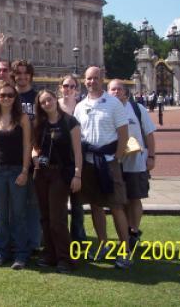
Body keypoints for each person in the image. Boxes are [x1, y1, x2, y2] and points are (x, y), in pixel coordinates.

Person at [74, 67, 131, 269]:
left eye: (96, 78)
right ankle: (103, 244)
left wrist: (116, 156)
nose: (92, 81)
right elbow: (78, 136)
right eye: (89, 78)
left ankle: (125, 250)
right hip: (89, 161)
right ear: (84, 81)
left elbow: (123, 134)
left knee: (116, 206)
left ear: (102, 79)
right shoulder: (80, 106)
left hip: (108, 161)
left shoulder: (114, 103)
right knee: (96, 205)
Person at [0, 81, 32, 269]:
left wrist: (25, 170)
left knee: (18, 214)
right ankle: (2, 252)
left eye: (10, 95)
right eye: (2, 95)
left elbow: (27, 145)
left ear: (15, 98)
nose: (6, 98)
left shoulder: (22, 118)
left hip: (17, 169)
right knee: (1, 215)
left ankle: (21, 254)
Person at [32, 89, 83, 273]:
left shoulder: (70, 122)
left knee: (57, 219)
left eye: (49, 100)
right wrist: (35, 156)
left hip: (61, 174)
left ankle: (65, 258)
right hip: (42, 173)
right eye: (43, 102)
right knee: (45, 217)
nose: (47, 104)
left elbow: (78, 151)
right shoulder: (40, 123)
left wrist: (77, 175)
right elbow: (34, 147)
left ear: (56, 99)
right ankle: (50, 254)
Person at [107, 79, 156, 249]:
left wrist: (151, 156)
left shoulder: (137, 108)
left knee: (135, 197)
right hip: (114, 161)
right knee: (120, 200)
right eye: (112, 89)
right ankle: (125, 231)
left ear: (125, 92)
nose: (116, 92)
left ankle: (133, 230)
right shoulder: (107, 109)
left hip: (135, 161)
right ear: (108, 92)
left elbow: (149, 134)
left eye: (119, 89)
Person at [10, 59, 41, 254]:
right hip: (12, 155)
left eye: (25, 73)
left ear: (30, 75)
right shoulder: (8, 96)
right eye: (18, 73)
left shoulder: (37, 97)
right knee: (15, 204)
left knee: (34, 202)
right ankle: (17, 242)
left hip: (34, 155)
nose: (22, 77)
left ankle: (34, 242)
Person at [58, 74, 87, 242]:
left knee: (77, 202)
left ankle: (78, 236)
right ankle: (61, 236)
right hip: (60, 158)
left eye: (72, 86)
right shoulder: (55, 106)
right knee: (59, 202)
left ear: (77, 89)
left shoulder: (82, 107)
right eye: (65, 86)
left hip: (77, 156)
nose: (68, 89)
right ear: (60, 88)